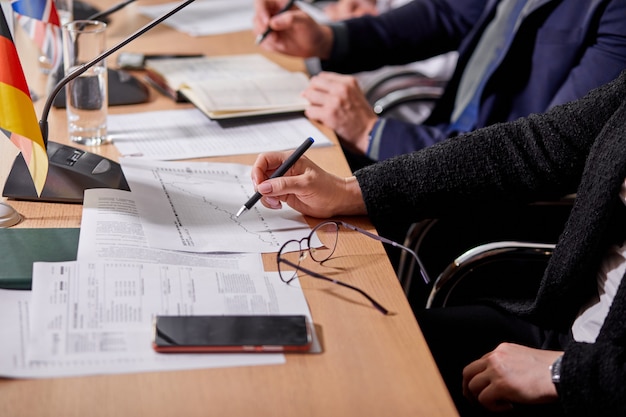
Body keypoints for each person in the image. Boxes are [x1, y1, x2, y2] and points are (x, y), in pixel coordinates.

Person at [248, 70, 626, 415]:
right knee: (339, 348)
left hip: (592, 375)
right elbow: (535, 146)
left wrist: (564, 373)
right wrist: (352, 191)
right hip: (574, 340)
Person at [253, 0, 626, 168]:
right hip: (434, 148)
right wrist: (328, 39)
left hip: (479, 193)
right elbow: (446, 13)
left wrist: (373, 132)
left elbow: (548, 155)